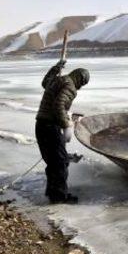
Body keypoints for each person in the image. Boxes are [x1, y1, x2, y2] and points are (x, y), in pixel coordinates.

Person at [35, 59, 90, 203]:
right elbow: (58, 105)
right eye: (82, 84)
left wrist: (55, 68)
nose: (80, 87)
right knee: (61, 162)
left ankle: (52, 193)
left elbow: (45, 83)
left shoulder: (58, 80)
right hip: (50, 126)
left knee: (53, 162)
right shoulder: (70, 86)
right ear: (80, 79)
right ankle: (59, 196)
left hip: (41, 125)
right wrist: (66, 125)